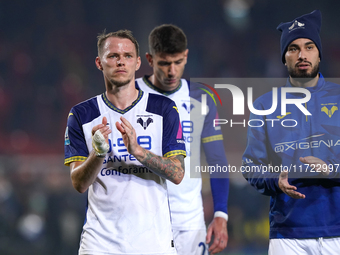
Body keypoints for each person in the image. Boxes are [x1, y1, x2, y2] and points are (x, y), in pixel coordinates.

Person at [64, 29, 186, 255]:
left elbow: (177, 173)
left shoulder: (164, 109)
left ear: (138, 62)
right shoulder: (81, 114)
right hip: (99, 245)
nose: (121, 62)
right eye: (113, 56)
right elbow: (79, 184)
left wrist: (138, 151)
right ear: (99, 63)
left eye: (128, 56)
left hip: (153, 245)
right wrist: (98, 153)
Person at [242, 10, 340, 255]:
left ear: (319, 53)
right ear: (284, 58)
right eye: (293, 48)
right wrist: (275, 181)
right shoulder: (265, 105)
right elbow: (250, 165)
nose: (302, 55)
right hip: (287, 235)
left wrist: (332, 169)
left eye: (309, 47)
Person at [136, 24, 229, 255]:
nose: (172, 71)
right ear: (150, 59)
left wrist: (220, 214)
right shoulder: (130, 96)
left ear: (186, 56)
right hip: (141, 223)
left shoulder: (201, 99)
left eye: (178, 62)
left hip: (189, 222)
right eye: (164, 63)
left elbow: (217, 159)